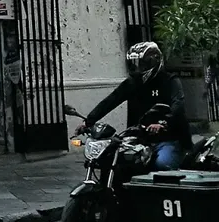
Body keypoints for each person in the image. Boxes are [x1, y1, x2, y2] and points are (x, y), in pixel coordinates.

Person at [81, 41, 189, 169]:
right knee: (116, 160)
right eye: (134, 65)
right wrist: (88, 121)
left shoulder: (170, 81)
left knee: (162, 164)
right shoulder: (132, 83)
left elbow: (178, 105)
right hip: (138, 139)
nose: (138, 69)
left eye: (142, 64)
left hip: (167, 139)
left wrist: (164, 123)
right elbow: (110, 101)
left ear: (153, 63)